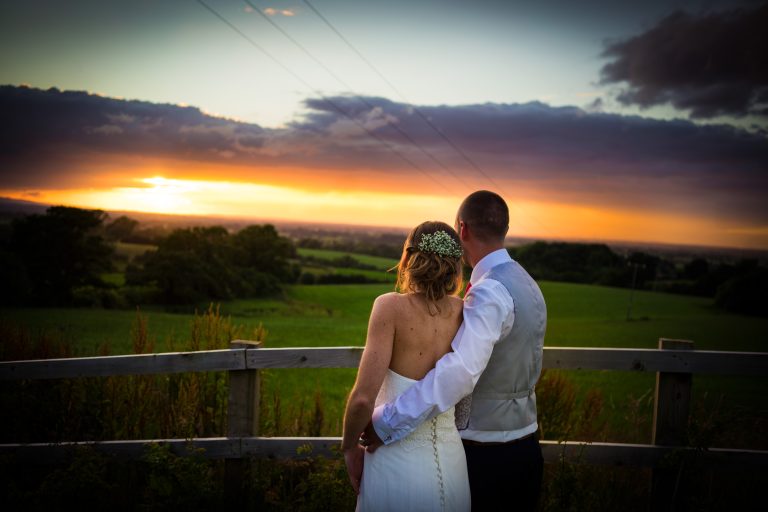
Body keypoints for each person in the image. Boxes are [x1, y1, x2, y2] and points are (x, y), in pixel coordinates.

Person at [363, 190, 547, 511]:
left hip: (488, 453)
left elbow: (460, 373)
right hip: (528, 445)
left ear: (462, 229)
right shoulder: (528, 284)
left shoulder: (489, 290)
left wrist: (385, 422)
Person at [341, 221, 471, 511]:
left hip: (394, 462)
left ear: (409, 258)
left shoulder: (389, 307)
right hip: (453, 466)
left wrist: (350, 448)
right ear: (454, 264)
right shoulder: (464, 311)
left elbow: (363, 399)